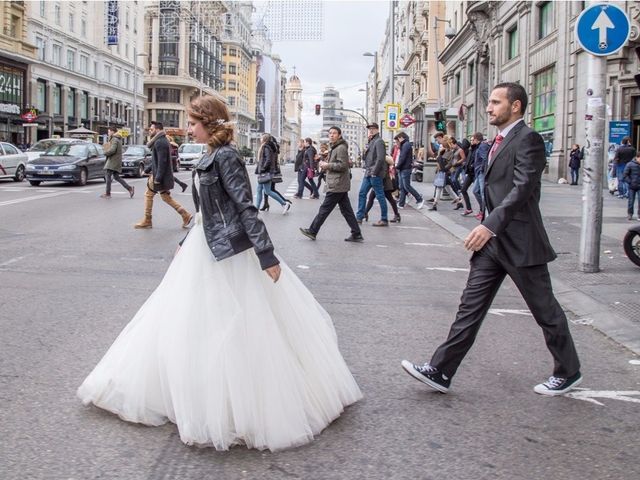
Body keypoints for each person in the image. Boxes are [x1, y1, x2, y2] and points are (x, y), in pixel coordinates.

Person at [77, 95, 362, 452]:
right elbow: (205, 212)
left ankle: (234, 401)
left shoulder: (225, 157)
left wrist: (267, 254)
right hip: (204, 245)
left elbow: (244, 207)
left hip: (229, 251)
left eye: (193, 122)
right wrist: (187, 237)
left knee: (234, 324)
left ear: (209, 123)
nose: (189, 128)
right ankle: (195, 390)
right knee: (189, 321)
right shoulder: (209, 156)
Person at [402, 82, 582, 396]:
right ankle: (441, 370)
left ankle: (568, 372)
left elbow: (522, 189)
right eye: (490, 102)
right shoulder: (497, 140)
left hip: (521, 241)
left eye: (496, 102)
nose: (489, 108)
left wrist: (489, 224)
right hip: (492, 244)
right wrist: (488, 227)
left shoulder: (529, 139)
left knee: (545, 311)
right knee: (469, 308)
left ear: (516, 106)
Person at [299, 126, 363, 242]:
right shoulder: (335, 147)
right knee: (346, 210)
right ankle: (356, 233)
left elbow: (343, 165)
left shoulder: (341, 148)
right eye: (330, 133)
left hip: (337, 183)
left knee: (324, 209)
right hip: (338, 183)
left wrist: (328, 165)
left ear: (339, 135)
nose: (331, 135)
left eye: (334, 133)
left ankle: (313, 231)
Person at [134, 121, 192, 229]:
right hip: (160, 175)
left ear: (157, 130)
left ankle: (147, 220)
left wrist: (158, 178)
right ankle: (185, 214)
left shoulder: (160, 142)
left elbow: (162, 161)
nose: (150, 131)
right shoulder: (160, 141)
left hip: (159, 176)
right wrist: (147, 169)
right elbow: (157, 161)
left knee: (148, 195)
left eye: (151, 129)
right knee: (166, 197)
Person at [356, 123, 389, 226]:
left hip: (375, 173)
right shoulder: (371, 141)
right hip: (369, 172)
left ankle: (384, 219)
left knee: (380, 196)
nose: (371, 130)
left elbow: (380, 158)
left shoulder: (379, 141)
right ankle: (359, 216)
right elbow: (366, 159)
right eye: (370, 129)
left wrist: (374, 172)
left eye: (373, 129)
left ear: (377, 130)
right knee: (362, 193)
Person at [254, 133, 291, 214]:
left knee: (268, 191)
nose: (260, 139)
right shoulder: (268, 147)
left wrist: (263, 169)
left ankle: (284, 204)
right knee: (259, 189)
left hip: (266, 172)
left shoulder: (266, 147)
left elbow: (268, 160)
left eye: (261, 138)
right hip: (265, 172)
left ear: (264, 139)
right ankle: (256, 209)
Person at [101, 126, 134, 199]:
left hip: (113, 160)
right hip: (115, 160)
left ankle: (108, 193)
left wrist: (105, 153)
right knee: (116, 177)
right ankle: (130, 188)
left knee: (108, 175)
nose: (108, 133)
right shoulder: (116, 138)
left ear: (112, 131)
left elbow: (113, 150)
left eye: (109, 132)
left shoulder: (115, 139)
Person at [395, 132, 424, 210]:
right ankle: (401, 203)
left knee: (406, 186)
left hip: (405, 168)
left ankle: (419, 199)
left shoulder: (406, 145)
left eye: (397, 140)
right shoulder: (405, 145)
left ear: (401, 137)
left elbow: (402, 157)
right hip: (403, 168)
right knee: (402, 187)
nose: (397, 142)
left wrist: (397, 166)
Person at [470, 133, 490, 221]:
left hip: (481, 172)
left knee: (482, 193)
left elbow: (485, 158)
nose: (472, 141)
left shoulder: (482, 146)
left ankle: (484, 212)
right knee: (475, 191)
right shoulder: (479, 146)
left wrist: (482, 169)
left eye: (473, 139)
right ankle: (482, 210)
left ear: (476, 139)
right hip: (479, 172)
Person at [623, 152, 640, 221]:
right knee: (631, 201)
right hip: (632, 186)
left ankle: (639, 215)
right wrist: (630, 182)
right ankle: (630, 214)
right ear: (637, 157)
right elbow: (625, 175)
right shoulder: (630, 164)